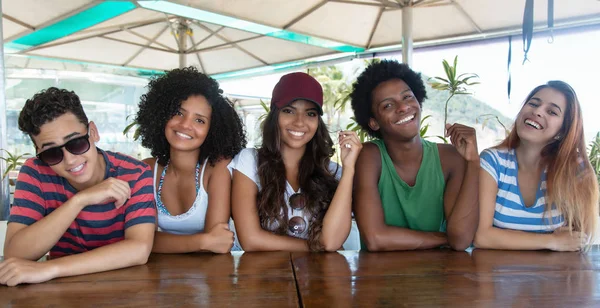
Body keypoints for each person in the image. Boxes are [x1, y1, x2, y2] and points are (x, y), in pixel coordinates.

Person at [1, 87, 156, 286]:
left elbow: (139, 250)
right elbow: (15, 253)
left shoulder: (135, 173)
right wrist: (80, 200)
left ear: (93, 132)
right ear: (38, 153)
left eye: (75, 143)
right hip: (61, 292)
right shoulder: (36, 172)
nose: (70, 160)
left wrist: (50, 269)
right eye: (52, 153)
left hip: (126, 287)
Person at [350, 60, 479, 251]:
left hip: (443, 275)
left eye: (408, 97)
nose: (403, 108)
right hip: (380, 277)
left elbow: (460, 240)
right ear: (374, 123)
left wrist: (473, 161)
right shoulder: (369, 156)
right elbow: (375, 239)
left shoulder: (451, 158)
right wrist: (444, 238)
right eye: (387, 105)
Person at [231, 72, 362, 251]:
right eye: (289, 111)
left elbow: (333, 241)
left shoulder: (332, 172)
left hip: (320, 276)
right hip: (263, 275)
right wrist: (317, 246)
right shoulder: (249, 161)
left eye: (310, 113)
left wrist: (349, 169)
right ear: (275, 115)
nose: (300, 122)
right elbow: (251, 240)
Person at [474, 81, 598, 251]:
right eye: (533, 103)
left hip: (554, 275)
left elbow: (576, 239)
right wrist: (552, 241)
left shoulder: (574, 169)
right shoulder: (492, 161)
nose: (537, 111)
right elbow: (482, 237)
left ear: (563, 130)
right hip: (495, 274)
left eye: (552, 111)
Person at [136, 67, 246, 253]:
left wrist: (159, 242)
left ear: (213, 130)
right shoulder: (147, 169)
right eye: (179, 113)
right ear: (162, 115)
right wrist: (204, 242)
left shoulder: (217, 168)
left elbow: (218, 245)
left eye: (200, 120)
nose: (186, 125)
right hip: (162, 275)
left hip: (215, 274)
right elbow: (142, 241)